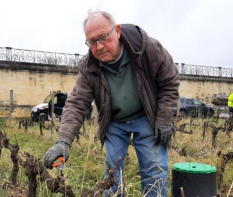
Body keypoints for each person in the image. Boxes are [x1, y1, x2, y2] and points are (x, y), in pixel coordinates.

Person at [44, 10, 179, 196]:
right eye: (92, 41)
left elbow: (169, 83)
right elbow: (77, 103)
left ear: (117, 31)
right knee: (112, 172)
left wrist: (164, 119)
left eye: (103, 37)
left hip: (147, 116)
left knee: (154, 171)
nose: (98, 46)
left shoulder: (149, 49)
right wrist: (63, 141)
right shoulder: (88, 66)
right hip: (114, 121)